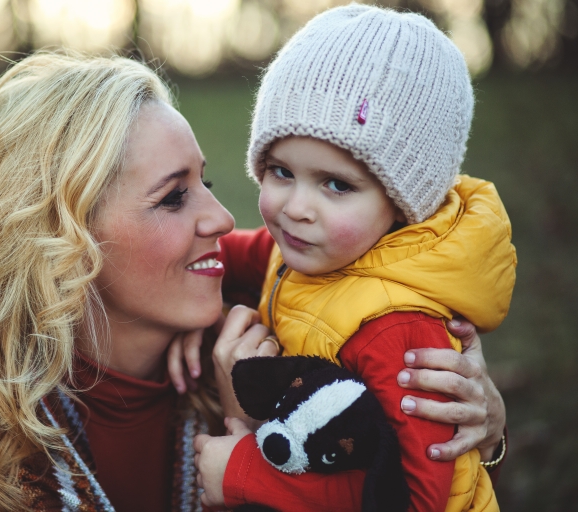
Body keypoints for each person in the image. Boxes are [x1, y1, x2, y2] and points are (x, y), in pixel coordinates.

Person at [0, 51, 506, 512]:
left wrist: (480, 431)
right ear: (60, 239)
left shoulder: (267, 334)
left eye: (209, 182)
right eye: (174, 197)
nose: (223, 218)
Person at [190, 5, 515, 511]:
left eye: (337, 184)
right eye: (280, 171)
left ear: (403, 205)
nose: (296, 208)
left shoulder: (397, 331)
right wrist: (181, 298)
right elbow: (226, 256)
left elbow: (411, 497)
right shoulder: (308, 251)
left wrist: (246, 471)